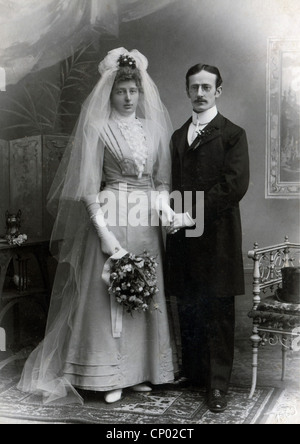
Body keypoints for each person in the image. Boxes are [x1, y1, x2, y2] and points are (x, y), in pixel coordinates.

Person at [18, 48, 176, 405]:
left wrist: (164, 206)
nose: (127, 97)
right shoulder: (97, 128)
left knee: (143, 290)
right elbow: (89, 189)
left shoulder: (153, 130)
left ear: (141, 91)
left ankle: (139, 372)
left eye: (133, 90)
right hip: (111, 217)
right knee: (108, 294)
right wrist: (104, 234)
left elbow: (161, 181)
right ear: (110, 92)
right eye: (120, 91)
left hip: (145, 223)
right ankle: (109, 375)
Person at [167, 63, 249, 413]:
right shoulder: (177, 136)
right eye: (193, 87)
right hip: (184, 237)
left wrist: (191, 215)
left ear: (218, 91)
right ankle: (194, 373)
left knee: (217, 308)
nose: (199, 94)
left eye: (206, 87)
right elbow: (172, 184)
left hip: (218, 237)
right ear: (187, 91)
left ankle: (217, 385)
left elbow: (233, 187)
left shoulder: (233, 134)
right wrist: (171, 214)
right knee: (188, 304)